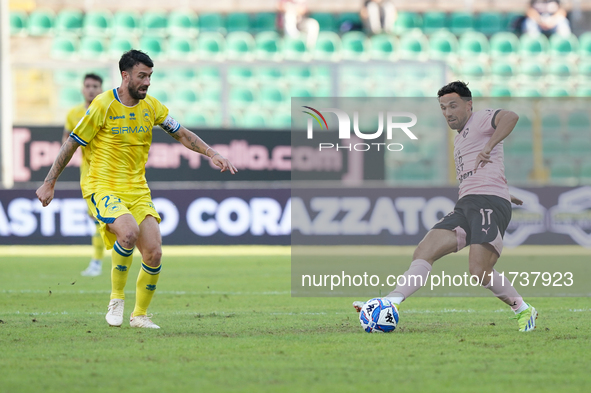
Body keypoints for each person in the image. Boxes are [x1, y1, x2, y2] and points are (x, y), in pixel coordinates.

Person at [36, 50, 237, 329]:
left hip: (138, 189)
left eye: (150, 76)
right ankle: (116, 299)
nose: (147, 82)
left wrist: (211, 152)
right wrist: (50, 181)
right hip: (102, 186)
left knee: (154, 252)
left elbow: (182, 133)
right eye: (142, 76)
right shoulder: (103, 105)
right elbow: (72, 143)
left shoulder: (152, 107)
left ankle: (139, 315)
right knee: (128, 232)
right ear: (125, 76)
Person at [354, 81, 538, 333]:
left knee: (479, 270)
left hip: (487, 203)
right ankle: (390, 302)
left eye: (453, 105)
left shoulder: (482, 118)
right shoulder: (460, 139)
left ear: (468, 104)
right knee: (424, 251)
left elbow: (511, 116)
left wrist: (489, 146)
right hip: (468, 203)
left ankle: (523, 309)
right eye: (443, 108)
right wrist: (507, 192)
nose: (448, 112)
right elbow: (481, 173)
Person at [63, 73, 105, 277]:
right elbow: (66, 143)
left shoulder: (108, 110)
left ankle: (102, 261)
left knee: (110, 220)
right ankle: (97, 262)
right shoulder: (73, 114)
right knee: (96, 218)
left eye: (95, 86)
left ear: (101, 89)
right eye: (87, 85)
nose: (91, 89)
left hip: (111, 172)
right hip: (88, 174)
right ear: (82, 89)